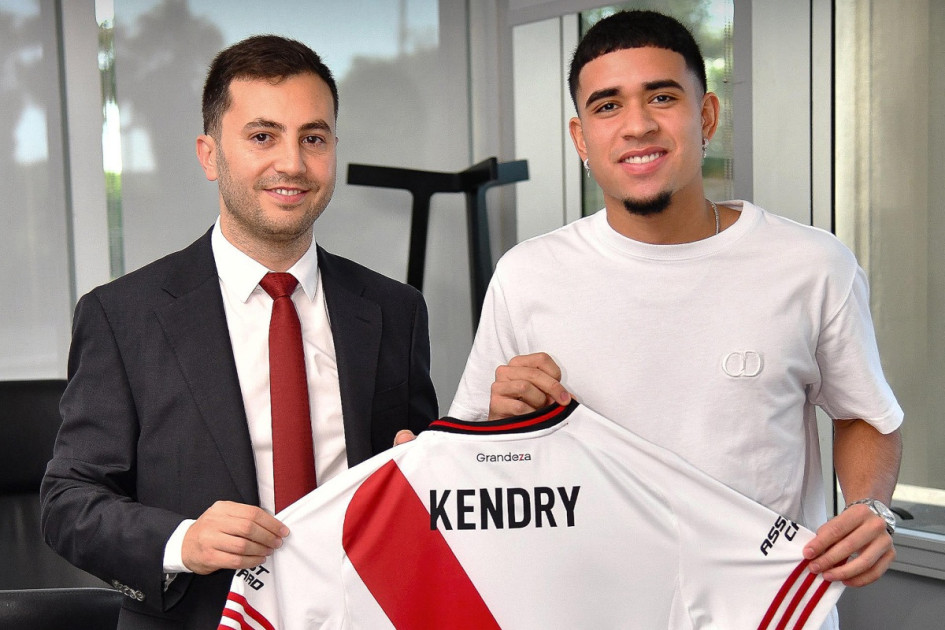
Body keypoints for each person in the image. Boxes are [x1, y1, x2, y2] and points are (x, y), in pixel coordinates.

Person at [448, 10, 902, 624]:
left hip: (766, 614)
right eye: (607, 107)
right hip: (584, 611)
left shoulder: (813, 265)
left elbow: (864, 414)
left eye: (662, 97)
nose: (637, 126)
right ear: (582, 139)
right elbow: (467, 462)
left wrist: (870, 509)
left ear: (706, 115)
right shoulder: (527, 275)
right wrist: (504, 425)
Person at [40, 35, 437, 629]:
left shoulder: (394, 310)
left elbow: (420, 476)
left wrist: (431, 469)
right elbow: (69, 500)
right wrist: (183, 541)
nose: (293, 163)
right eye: (262, 136)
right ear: (208, 155)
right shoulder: (122, 315)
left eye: (313, 138)